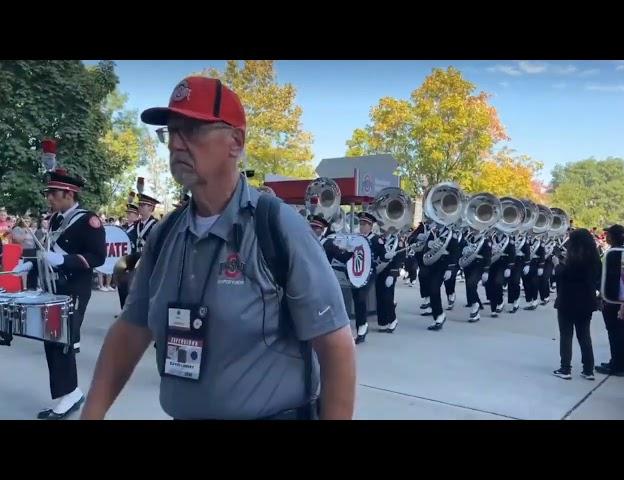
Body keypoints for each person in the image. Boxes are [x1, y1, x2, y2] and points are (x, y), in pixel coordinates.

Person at [81, 76, 356, 420]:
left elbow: (336, 346)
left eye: (193, 130)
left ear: (236, 142)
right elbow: (131, 329)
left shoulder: (277, 227)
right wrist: (91, 413)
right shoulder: (165, 235)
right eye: (171, 132)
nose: (176, 144)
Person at [11, 168, 106, 419]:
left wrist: (65, 260)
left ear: (69, 193)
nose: (49, 198)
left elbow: (98, 257)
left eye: (53, 193)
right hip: (52, 288)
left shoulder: (89, 221)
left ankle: (70, 394)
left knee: (62, 341)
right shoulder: (55, 219)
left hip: (74, 289)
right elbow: (46, 251)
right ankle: (69, 392)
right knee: (51, 340)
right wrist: (31, 262)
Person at [551, 229, 601, 380]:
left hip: (568, 300)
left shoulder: (574, 259)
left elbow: (564, 275)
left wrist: (557, 264)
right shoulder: (595, 259)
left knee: (566, 335)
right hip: (586, 301)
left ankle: (565, 368)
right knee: (584, 336)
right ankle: (588, 369)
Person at [595, 224, 624, 376]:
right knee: (620, 331)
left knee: (615, 332)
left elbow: (608, 278)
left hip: (612, 299)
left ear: (614, 236)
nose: (606, 236)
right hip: (622, 298)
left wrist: (601, 294)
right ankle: (620, 362)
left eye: (608, 233)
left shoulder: (614, 253)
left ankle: (617, 366)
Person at [351, 211, 387, 343]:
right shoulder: (356, 238)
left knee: (361, 297)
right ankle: (360, 325)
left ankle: (362, 326)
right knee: (356, 297)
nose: (362, 226)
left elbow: (383, 256)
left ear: (371, 226)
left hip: (369, 273)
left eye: (365, 224)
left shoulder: (376, 240)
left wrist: (384, 259)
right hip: (356, 273)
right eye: (361, 224)